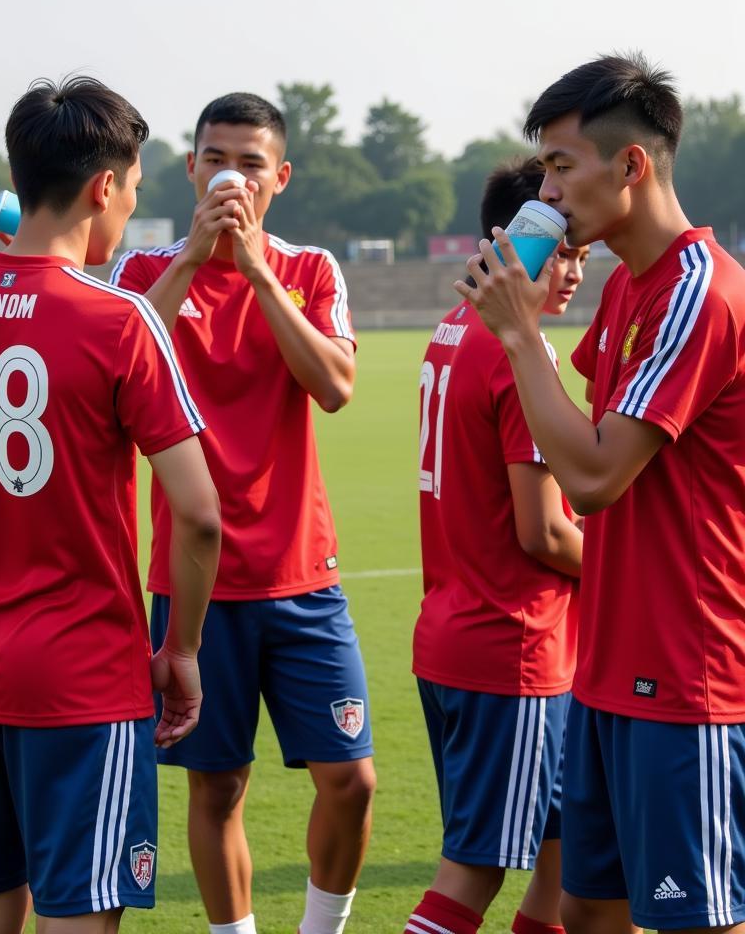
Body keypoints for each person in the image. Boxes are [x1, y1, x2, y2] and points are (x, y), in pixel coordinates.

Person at [0, 76, 220, 934]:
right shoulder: (121, 319)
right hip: (81, 677)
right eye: (132, 188)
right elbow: (201, 515)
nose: (130, 206)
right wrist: (181, 648)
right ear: (105, 186)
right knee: (81, 913)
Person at [456, 52, 745, 934]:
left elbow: (589, 478)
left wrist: (517, 338)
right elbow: (576, 438)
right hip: (611, 668)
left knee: (700, 921)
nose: (546, 188)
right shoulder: (627, 286)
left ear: (632, 166)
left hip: (687, 668)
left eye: (561, 165)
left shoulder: (699, 293)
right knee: (586, 914)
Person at [110, 92, 375, 934]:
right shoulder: (142, 274)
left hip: (303, 574)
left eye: (251, 162)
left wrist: (256, 268)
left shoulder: (309, 269)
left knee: (353, 780)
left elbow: (334, 388)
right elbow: (110, 374)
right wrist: (194, 258)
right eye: (215, 158)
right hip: (195, 585)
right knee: (217, 784)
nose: (232, 176)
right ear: (190, 168)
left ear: (281, 177)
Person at [406, 158, 588, 934]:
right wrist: (635, 567)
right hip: (509, 646)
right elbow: (542, 530)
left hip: (455, 635)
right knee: (472, 872)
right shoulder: (520, 354)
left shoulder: (451, 334)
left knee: (564, 854)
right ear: (515, 243)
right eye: (564, 248)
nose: (578, 268)